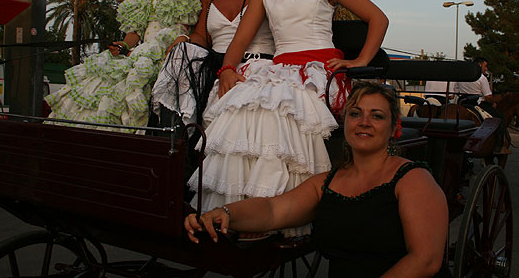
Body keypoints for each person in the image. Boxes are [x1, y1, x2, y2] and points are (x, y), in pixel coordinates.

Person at [187, 0, 388, 237]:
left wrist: (360, 60)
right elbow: (240, 39)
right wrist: (227, 69)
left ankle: (279, 211)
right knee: (244, 109)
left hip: (319, 71)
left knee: (276, 113)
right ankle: (240, 209)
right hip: (280, 68)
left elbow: (378, 18)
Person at [185, 82, 450, 278]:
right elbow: (273, 209)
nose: (364, 122)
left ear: (394, 128)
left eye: (377, 116)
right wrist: (224, 212)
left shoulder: (413, 179)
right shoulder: (327, 183)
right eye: (355, 113)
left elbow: (425, 260)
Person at [151, 0, 343, 130]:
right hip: (215, 62)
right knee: (180, 54)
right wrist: (184, 40)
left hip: (256, 63)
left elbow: (298, 15)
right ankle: (173, 136)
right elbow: (202, 36)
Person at [45, 0, 202, 131]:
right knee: (102, 82)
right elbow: (134, 34)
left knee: (132, 82)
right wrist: (123, 45)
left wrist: (166, 47)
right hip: (139, 55)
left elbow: (180, 30)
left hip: (166, 58)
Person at [456, 57, 508, 153]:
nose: (486, 69)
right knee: (500, 119)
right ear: (479, 65)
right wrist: (493, 102)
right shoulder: (481, 78)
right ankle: (499, 146)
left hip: (462, 103)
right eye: (485, 66)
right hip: (477, 104)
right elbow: (488, 96)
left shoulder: (462, 76)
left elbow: (456, 91)